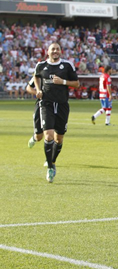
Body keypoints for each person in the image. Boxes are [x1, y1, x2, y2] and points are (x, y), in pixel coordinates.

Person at [34, 42, 80, 183]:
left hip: (62, 105)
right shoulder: (41, 65)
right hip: (46, 104)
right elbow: (36, 76)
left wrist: (63, 82)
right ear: (47, 52)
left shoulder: (67, 65)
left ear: (61, 51)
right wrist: (38, 89)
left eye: (57, 49)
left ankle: (52, 161)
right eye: (52, 49)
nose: (55, 51)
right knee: (48, 136)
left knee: (59, 139)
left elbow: (77, 84)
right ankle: (49, 168)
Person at [26, 77, 43, 149]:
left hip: (56, 104)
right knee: (38, 136)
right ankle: (34, 138)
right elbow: (29, 88)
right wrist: (38, 93)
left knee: (54, 134)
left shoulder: (60, 71)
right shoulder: (40, 71)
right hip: (41, 104)